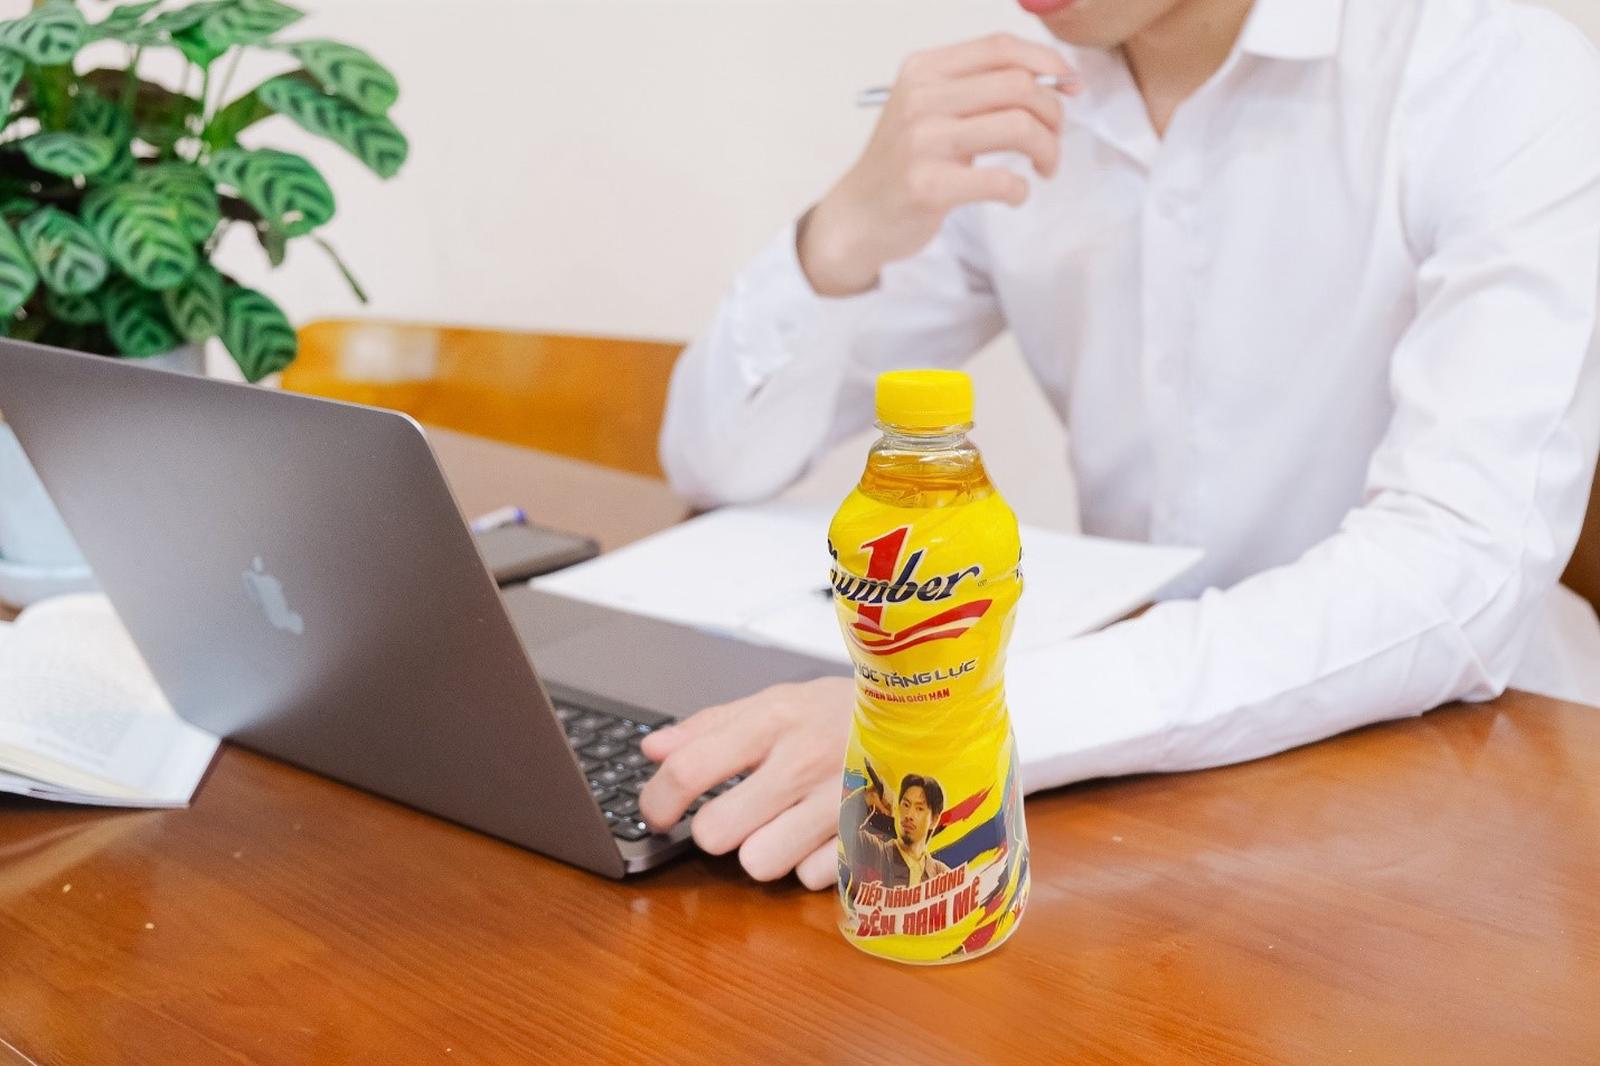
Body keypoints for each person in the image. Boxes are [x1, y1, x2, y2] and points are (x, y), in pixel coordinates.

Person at [638, 0, 1600, 891]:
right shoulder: (1019, 99)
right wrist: (847, 226)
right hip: (1130, 800)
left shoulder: (1497, 74)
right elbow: (717, 460)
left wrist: (956, 718)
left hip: (1468, 789)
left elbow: (1452, 576)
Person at [841, 766, 954, 890]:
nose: (909, 815)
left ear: (934, 820)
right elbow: (845, 823)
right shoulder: (875, 852)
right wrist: (868, 797)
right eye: (906, 805)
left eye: (919, 808)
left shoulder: (941, 875)